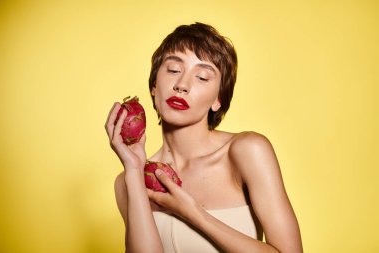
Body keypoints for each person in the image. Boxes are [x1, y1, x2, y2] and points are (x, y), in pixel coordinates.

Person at [105, 22, 303, 253]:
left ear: (218, 99)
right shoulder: (127, 181)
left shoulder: (247, 151)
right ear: (153, 86)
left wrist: (193, 213)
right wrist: (134, 170)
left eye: (202, 77)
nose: (182, 85)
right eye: (173, 70)